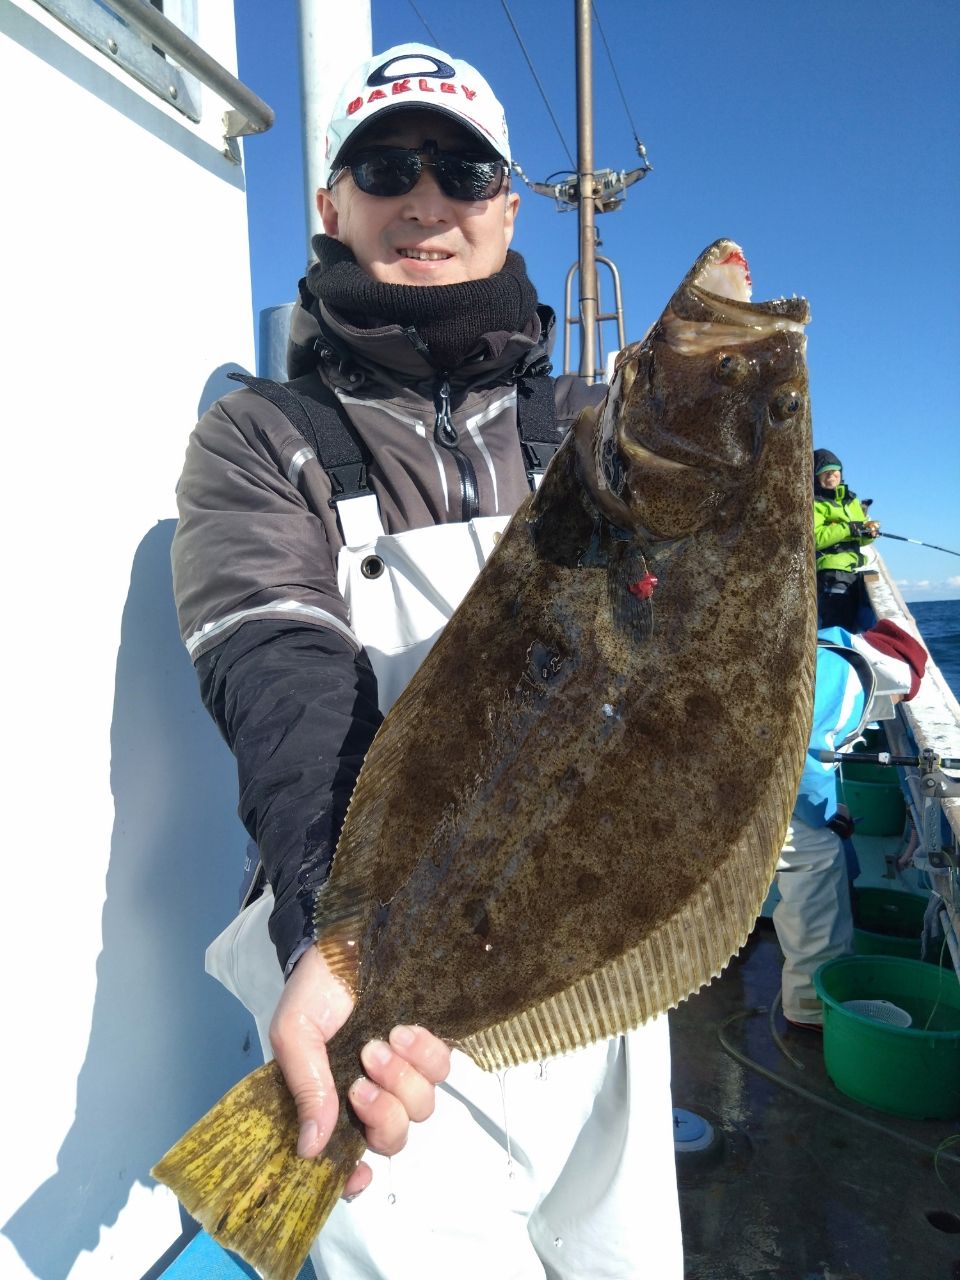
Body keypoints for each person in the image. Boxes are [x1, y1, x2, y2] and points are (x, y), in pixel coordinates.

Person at [171, 43, 683, 1279]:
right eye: (385, 163)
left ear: (509, 206)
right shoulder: (261, 437)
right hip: (379, 1003)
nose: (426, 197)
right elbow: (283, 678)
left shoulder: (600, 432)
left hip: (598, 979)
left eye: (463, 168)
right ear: (329, 204)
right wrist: (335, 944)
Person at [773, 619, 928, 1029]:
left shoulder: (823, 652)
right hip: (756, 790)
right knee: (817, 858)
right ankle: (809, 1006)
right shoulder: (847, 673)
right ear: (893, 677)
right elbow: (801, 753)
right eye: (897, 700)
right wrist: (826, 817)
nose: (891, 710)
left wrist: (827, 808)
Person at [813, 448, 880, 631]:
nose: (831, 476)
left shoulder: (852, 501)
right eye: (825, 473)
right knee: (836, 625)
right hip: (832, 572)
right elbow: (815, 538)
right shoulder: (814, 503)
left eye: (835, 471)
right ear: (816, 477)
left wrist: (868, 533)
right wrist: (847, 528)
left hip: (856, 569)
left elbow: (862, 541)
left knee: (855, 621)